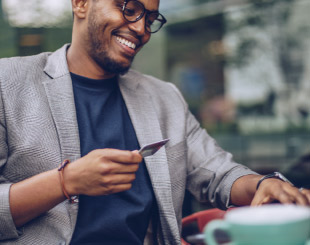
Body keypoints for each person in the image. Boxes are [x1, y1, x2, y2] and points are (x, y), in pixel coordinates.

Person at [0, 0, 309, 244]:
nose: (140, 29)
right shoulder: (8, 83)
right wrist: (65, 183)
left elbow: (218, 174)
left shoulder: (164, 97)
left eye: (149, 19)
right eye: (129, 8)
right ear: (80, 3)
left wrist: (264, 184)